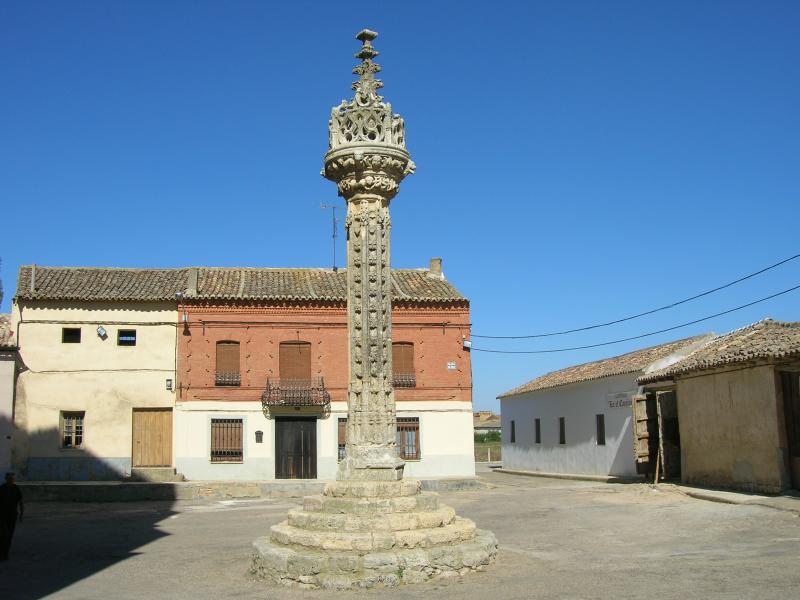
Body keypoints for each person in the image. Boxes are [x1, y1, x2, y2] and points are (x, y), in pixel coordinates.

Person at [0, 472, 24, 560]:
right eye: (9, 479)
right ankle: (3, 553)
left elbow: (21, 502)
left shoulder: (16, 488)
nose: (11, 480)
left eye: (12, 479)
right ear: (6, 479)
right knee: (4, 534)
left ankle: (5, 553)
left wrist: (21, 513)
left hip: (12, 515)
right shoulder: (2, 488)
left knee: (9, 535)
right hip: (2, 515)